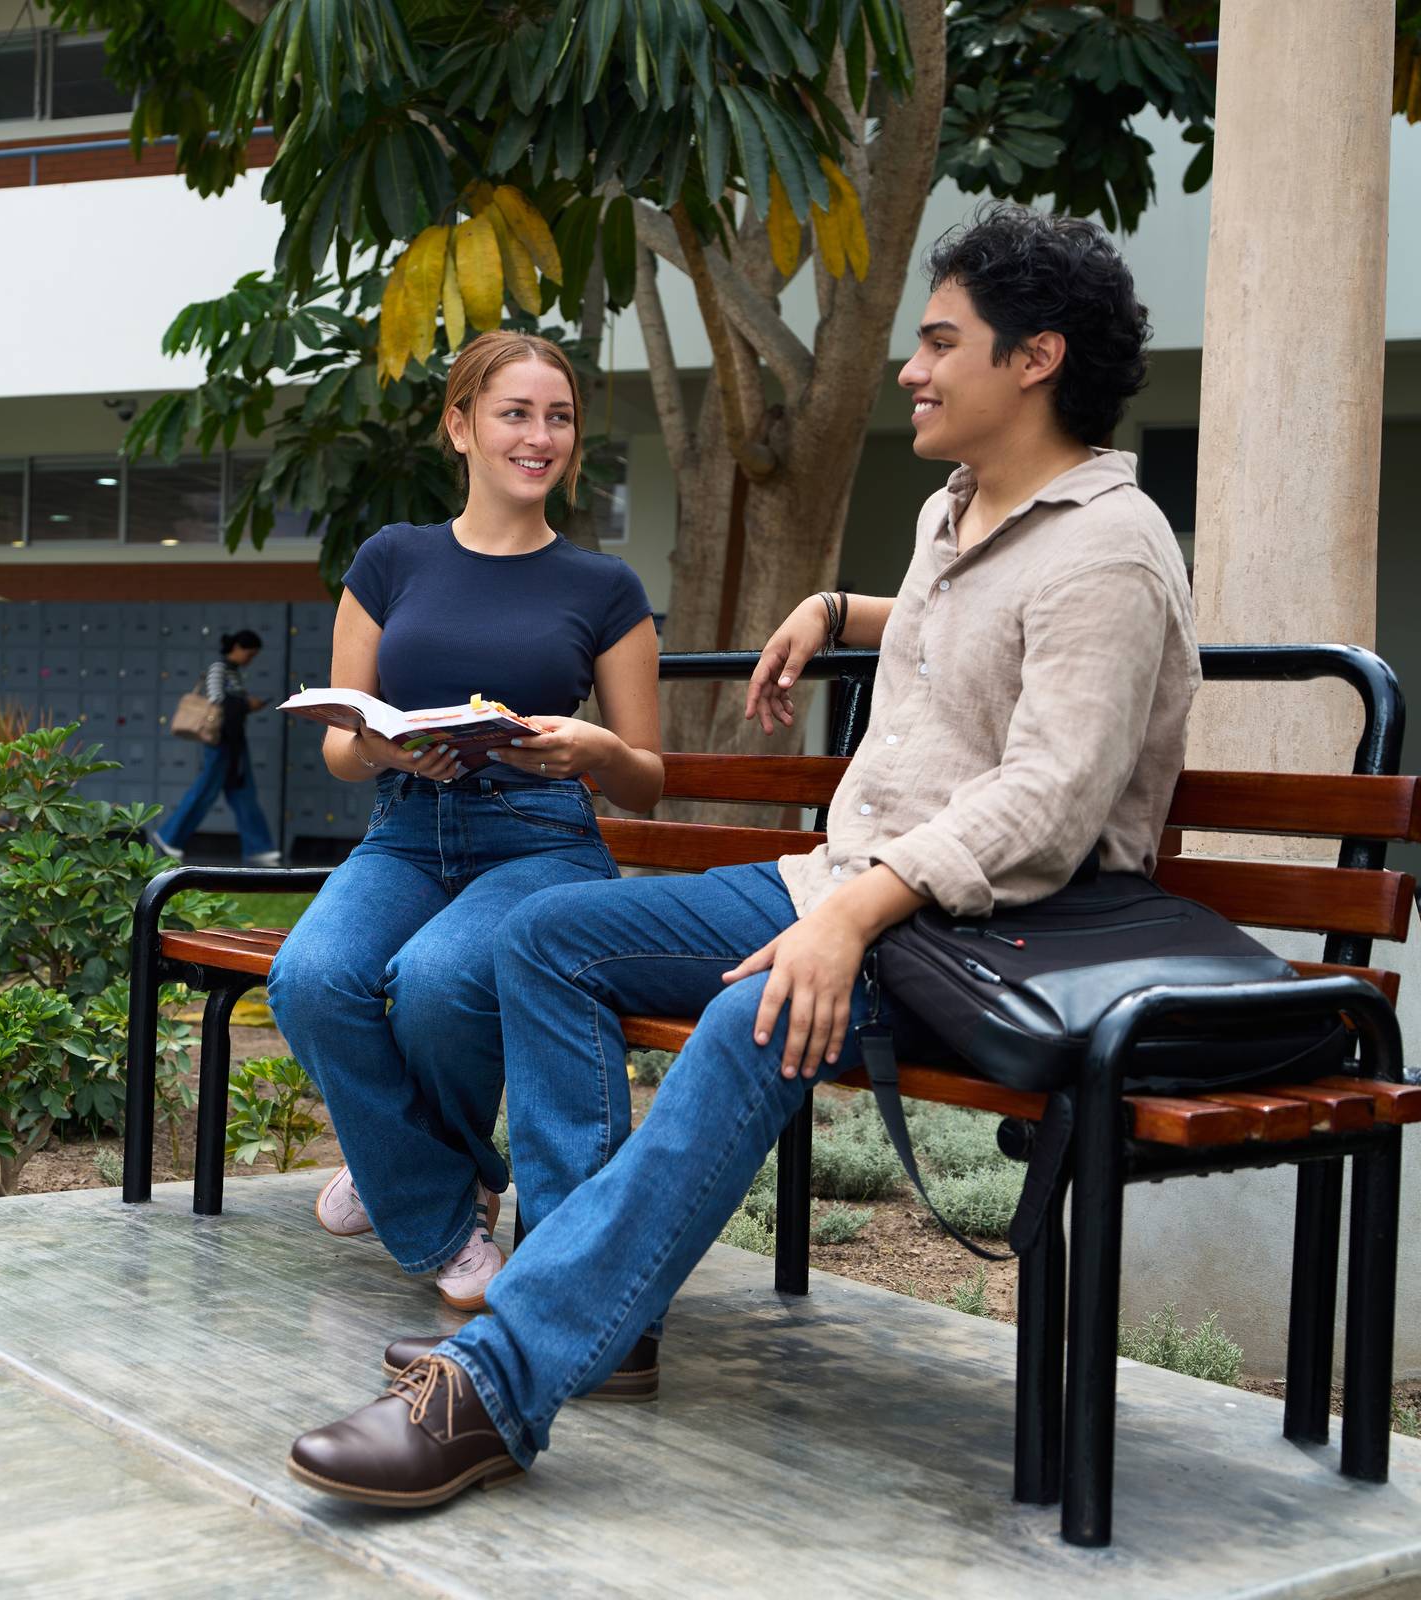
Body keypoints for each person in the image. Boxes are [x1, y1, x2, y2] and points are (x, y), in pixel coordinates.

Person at [285, 204, 1199, 1508]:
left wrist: (847, 921)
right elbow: (976, 617)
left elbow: (1049, 807)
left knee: (756, 1007)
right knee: (547, 940)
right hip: (845, 879)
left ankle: (507, 1370)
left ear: (1036, 358)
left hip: (977, 921)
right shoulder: (962, 516)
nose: (912, 369)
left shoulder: (1113, 546)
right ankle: (598, 1314)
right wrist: (833, 608)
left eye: (941, 342)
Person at [263, 330, 665, 1313]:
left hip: (542, 839)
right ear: (460, 427)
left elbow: (648, 779)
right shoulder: (390, 560)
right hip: (406, 827)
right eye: (514, 413)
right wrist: (385, 749)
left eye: (558, 417)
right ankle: (442, 1196)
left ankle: (406, 1185)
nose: (539, 436)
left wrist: (593, 749)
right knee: (310, 976)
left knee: (440, 979)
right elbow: (342, 746)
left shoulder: (605, 587)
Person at [152, 628, 283, 867]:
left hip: (235, 740)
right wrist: (247, 704)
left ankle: (259, 847)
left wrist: (246, 704)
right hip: (219, 740)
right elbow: (216, 699)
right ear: (238, 647)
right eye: (250, 654)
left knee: (243, 793)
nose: (250, 660)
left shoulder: (234, 671)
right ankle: (169, 837)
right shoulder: (219, 668)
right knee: (205, 791)